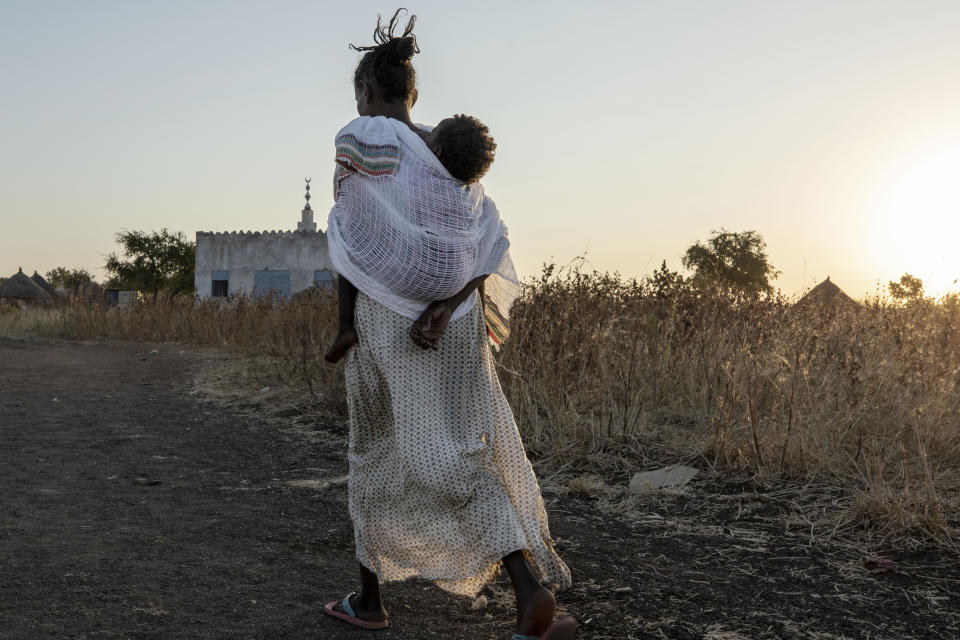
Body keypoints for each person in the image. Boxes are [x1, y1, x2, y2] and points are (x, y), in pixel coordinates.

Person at [322, 10, 576, 640]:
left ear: (366, 92)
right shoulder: (448, 155)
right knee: (461, 447)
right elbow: (484, 240)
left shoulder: (362, 137)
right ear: (415, 94)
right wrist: (445, 303)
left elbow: (350, 233)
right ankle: (385, 594)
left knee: (387, 449)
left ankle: (517, 592)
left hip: (385, 316)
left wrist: (343, 322)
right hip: (455, 319)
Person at [324, 113, 499, 364]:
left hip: (410, 275)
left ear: (436, 152)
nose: (424, 135)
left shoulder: (417, 183)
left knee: (352, 231)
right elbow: (496, 244)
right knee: (481, 246)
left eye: (430, 134)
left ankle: (344, 326)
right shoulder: (471, 199)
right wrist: (451, 305)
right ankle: (479, 326)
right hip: (451, 283)